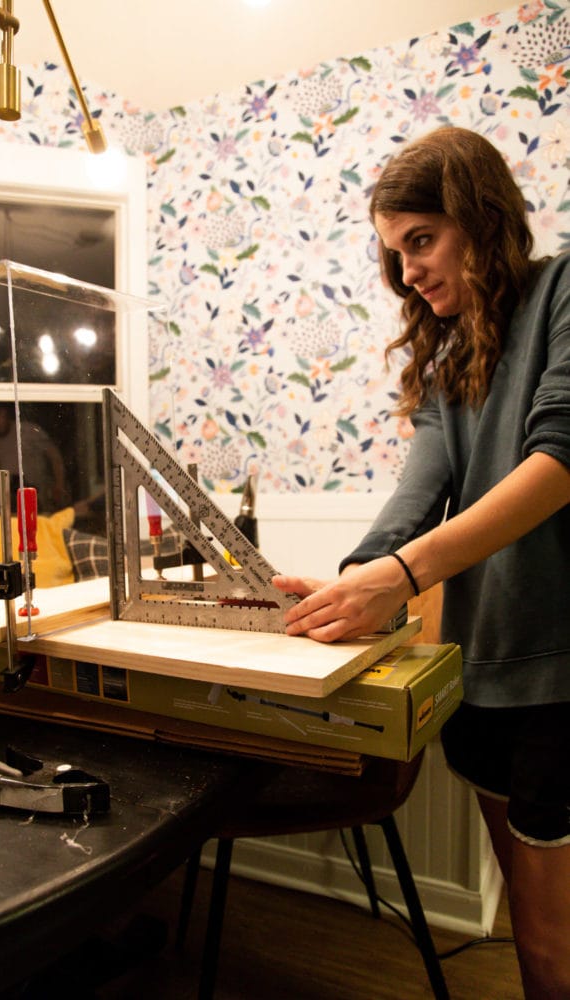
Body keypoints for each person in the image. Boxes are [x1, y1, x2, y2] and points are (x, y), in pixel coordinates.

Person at [272, 126, 570, 1000]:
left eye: (420, 240)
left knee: (552, 939)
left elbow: (557, 461)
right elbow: (419, 490)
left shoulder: (561, 290)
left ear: (480, 217)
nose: (407, 271)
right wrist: (352, 579)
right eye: (393, 252)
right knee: (527, 915)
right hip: (478, 672)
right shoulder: (446, 358)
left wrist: (396, 579)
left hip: (556, 671)